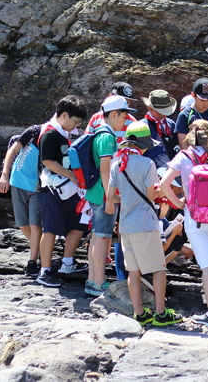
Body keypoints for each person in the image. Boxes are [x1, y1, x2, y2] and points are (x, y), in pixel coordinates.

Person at [107, 122, 183, 326]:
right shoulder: (146, 163)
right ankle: (160, 313)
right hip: (145, 224)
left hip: (126, 225)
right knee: (158, 268)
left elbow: (111, 197)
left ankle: (139, 313)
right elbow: (152, 194)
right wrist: (161, 191)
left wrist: (130, 198)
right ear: (142, 144)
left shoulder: (117, 163)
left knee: (134, 271)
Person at [159, 120, 208, 327]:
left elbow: (164, 184)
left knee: (207, 265)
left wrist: (179, 203)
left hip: (196, 218)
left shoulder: (183, 157)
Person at [36, 96, 89, 287]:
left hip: (70, 190)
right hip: (51, 189)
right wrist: (70, 175)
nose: (76, 125)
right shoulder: (50, 133)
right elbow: (47, 161)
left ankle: (67, 262)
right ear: (64, 115)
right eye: (75, 121)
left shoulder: (65, 133)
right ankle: (45, 270)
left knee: (77, 223)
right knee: (50, 229)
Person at [84, 95, 134, 296]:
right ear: (113, 114)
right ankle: (98, 283)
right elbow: (105, 169)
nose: (125, 119)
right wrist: (110, 197)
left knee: (97, 237)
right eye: (123, 115)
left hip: (95, 193)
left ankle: (91, 280)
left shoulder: (99, 132)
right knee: (102, 238)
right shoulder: (107, 136)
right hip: (103, 195)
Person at [0, 124, 42, 277]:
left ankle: (32, 262)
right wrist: (4, 174)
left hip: (38, 185)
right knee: (23, 224)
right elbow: (13, 150)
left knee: (35, 224)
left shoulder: (57, 136)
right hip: (17, 181)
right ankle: (42, 249)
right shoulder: (34, 131)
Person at [174, 78, 208, 152]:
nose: (206, 103)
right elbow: (183, 143)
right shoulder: (185, 115)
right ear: (193, 95)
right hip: (194, 157)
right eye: (202, 100)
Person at [140, 89, 179, 169]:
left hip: (172, 170)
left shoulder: (170, 124)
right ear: (149, 108)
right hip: (150, 171)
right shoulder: (141, 127)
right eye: (159, 111)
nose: (162, 114)